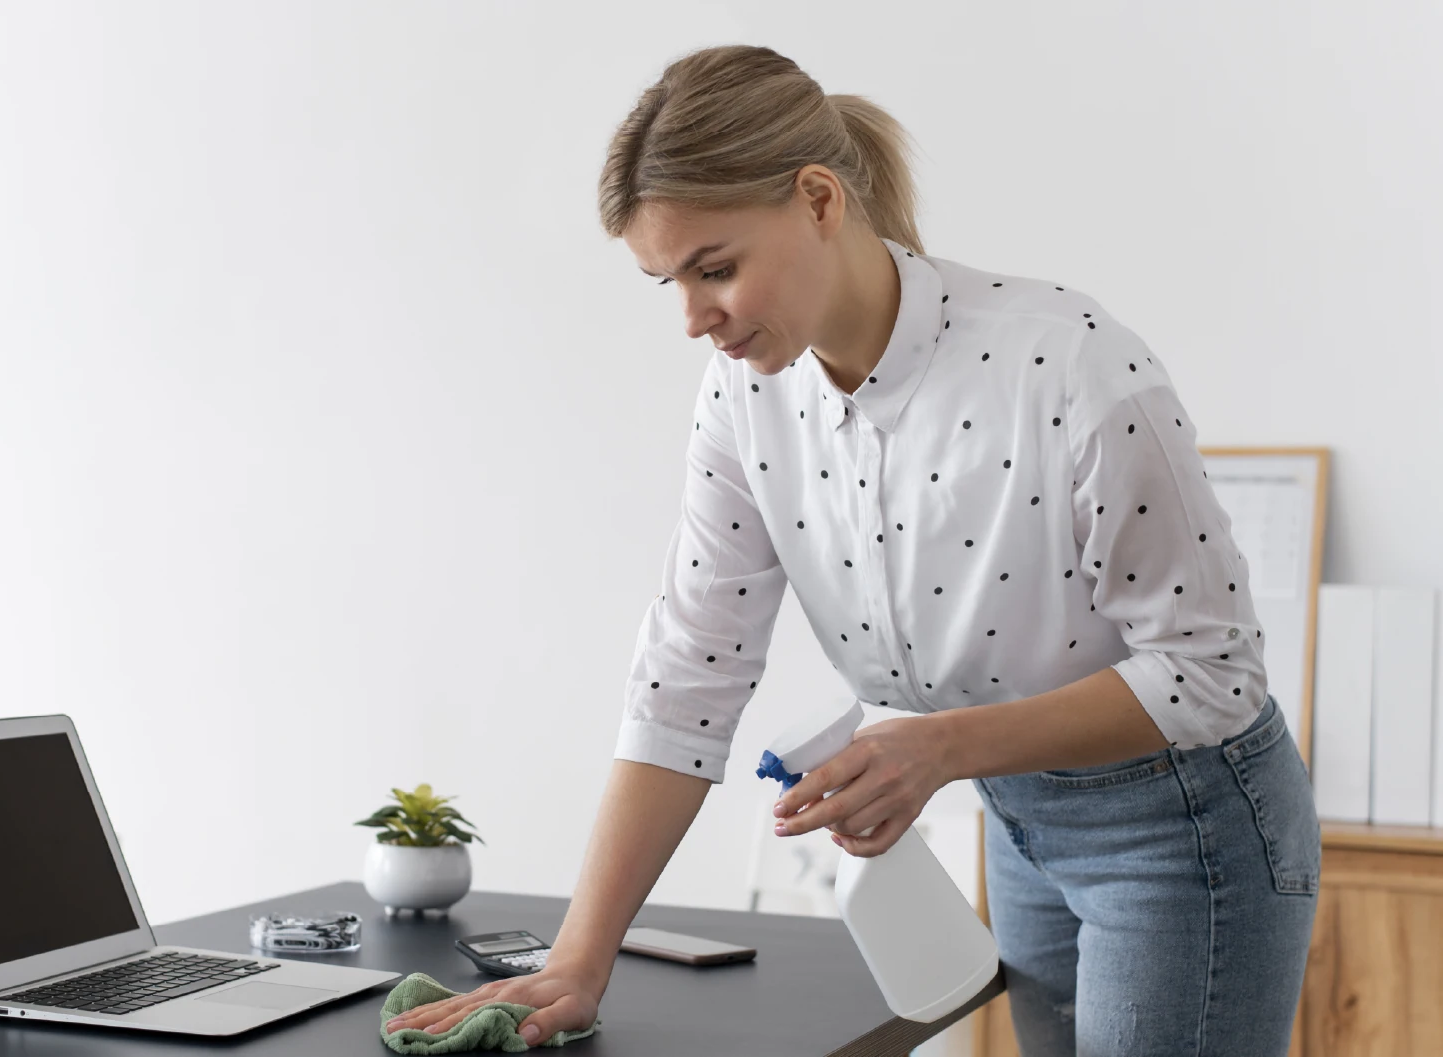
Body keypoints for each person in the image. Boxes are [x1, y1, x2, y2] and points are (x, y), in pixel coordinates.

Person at [384, 44, 1320, 1056]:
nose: (697, 318)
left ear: (820, 198)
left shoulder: (1069, 366)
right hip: (1022, 821)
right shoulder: (742, 400)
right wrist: (578, 956)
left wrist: (939, 747)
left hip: (1188, 824)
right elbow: (691, 674)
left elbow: (1214, 674)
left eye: (717, 267)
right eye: (670, 283)